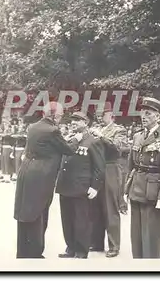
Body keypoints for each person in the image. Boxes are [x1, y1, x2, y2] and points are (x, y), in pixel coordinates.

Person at [13, 102, 76, 259]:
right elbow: (68, 149)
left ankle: (23, 250)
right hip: (41, 176)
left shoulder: (33, 127)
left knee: (24, 211)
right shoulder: (53, 130)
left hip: (26, 171)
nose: (61, 119)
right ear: (54, 115)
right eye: (60, 116)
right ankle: (35, 251)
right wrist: (77, 138)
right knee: (39, 212)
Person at [124, 97, 160, 259]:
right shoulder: (137, 137)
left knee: (151, 238)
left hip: (153, 193)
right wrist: (126, 189)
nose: (144, 116)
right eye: (142, 112)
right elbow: (131, 166)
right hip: (136, 190)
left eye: (148, 113)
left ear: (157, 116)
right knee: (136, 237)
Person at [56, 111, 106, 259]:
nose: (73, 123)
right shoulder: (70, 139)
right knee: (67, 218)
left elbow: (99, 166)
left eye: (77, 120)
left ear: (86, 123)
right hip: (66, 185)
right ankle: (70, 247)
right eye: (72, 120)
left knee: (81, 219)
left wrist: (95, 186)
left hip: (81, 187)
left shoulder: (93, 141)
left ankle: (82, 250)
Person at [89, 102, 129, 258]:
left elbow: (119, 148)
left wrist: (102, 137)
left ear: (111, 114)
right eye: (99, 114)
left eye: (103, 114)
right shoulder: (97, 129)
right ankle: (97, 242)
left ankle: (114, 245)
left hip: (111, 168)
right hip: (97, 168)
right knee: (96, 206)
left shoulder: (119, 130)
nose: (100, 117)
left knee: (110, 207)